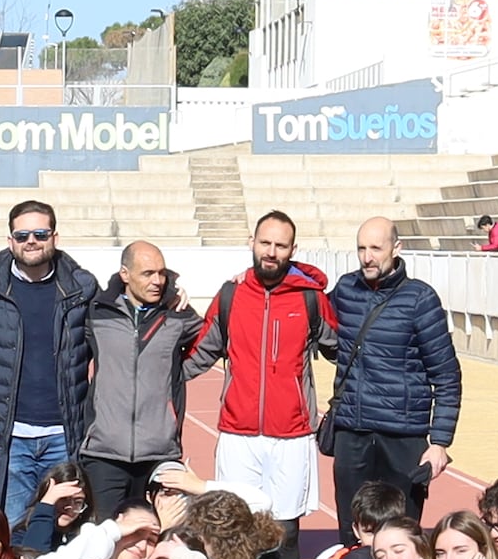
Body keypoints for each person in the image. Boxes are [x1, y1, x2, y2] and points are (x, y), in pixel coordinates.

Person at [186, 209, 335, 529]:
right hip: (238, 434)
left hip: (293, 436)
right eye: (265, 242)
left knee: (285, 532)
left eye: (281, 246)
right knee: (234, 527)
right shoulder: (230, 295)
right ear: (251, 242)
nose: (271, 251)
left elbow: (345, 350)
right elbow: (200, 353)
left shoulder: (310, 298)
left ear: (293, 251)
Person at [319, 217, 460, 532]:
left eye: (376, 248)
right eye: (361, 248)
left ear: (397, 248)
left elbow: (447, 376)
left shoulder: (421, 299)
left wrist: (439, 442)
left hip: (403, 439)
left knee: (401, 536)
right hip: (351, 435)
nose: (367, 257)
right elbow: (309, 310)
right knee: (352, 534)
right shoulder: (345, 289)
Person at [74, 238, 202, 519]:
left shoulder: (178, 314)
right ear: (125, 275)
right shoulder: (97, 312)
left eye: (161, 273)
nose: (157, 280)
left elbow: (211, 342)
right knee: (107, 542)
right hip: (104, 452)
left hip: (160, 452)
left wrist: (176, 377)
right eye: (147, 273)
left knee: (163, 537)